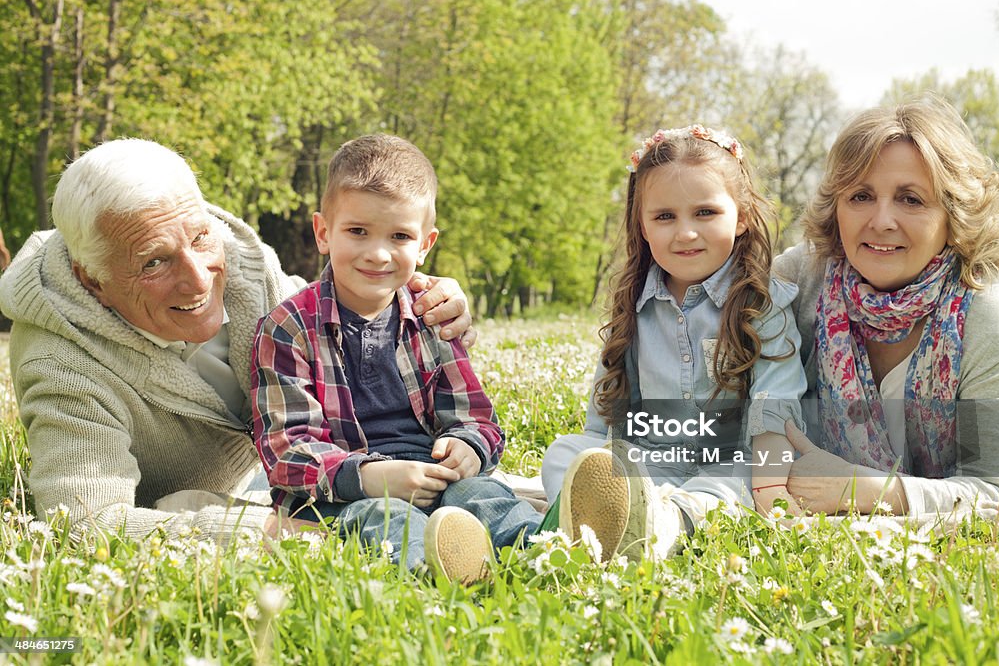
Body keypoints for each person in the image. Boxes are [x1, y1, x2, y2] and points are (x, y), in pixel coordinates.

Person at [0, 138, 474, 545]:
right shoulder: (61, 360)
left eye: (201, 238)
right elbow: (88, 523)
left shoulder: (246, 265)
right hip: (232, 506)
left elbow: (337, 317)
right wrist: (278, 535)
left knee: (479, 497)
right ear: (94, 281)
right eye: (154, 263)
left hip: (322, 477)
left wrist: (424, 300)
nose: (198, 280)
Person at [251, 134, 540, 582]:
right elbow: (287, 450)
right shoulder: (289, 327)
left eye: (400, 236)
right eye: (357, 231)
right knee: (389, 523)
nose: (378, 253)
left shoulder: (432, 313)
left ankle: (551, 553)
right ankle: (441, 573)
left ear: (425, 244)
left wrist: (468, 448)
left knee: (485, 497)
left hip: (434, 477)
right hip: (347, 495)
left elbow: (477, 418)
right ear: (323, 232)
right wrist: (370, 478)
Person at [540, 125, 806, 562]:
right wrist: (595, 463)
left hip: (729, 463)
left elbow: (775, 405)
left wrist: (773, 486)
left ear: (740, 216)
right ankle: (597, 516)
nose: (685, 233)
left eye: (705, 213)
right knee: (565, 452)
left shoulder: (763, 303)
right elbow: (601, 419)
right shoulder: (634, 305)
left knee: (730, 486)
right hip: (650, 462)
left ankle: (659, 527)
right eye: (665, 217)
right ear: (642, 226)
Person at [774, 96, 999, 518]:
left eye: (910, 199)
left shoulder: (988, 307)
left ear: (953, 214)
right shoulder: (803, 277)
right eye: (860, 196)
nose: (881, 220)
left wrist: (871, 491)